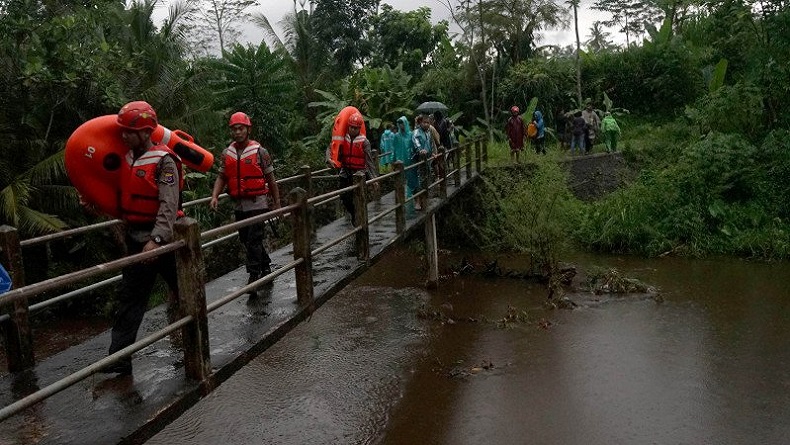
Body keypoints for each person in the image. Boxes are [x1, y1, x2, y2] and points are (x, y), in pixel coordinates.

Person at [102, 101, 182, 376]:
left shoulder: (165, 161)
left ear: (147, 132)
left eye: (129, 131)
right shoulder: (126, 159)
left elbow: (169, 204)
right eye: (122, 131)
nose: (123, 136)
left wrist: (157, 240)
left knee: (184, 291)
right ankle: (119, 358)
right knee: (130, 298)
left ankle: (195, 343)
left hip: (166, 241)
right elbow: (120, 197)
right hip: (137, 239)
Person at [210, 112, 281, 297]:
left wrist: (277, 203)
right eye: (234, 129)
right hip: (239, 205)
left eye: (240, 128)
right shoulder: (227, 153)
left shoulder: (260, 152)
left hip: (257, 203)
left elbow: (271, 179)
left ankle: (254, 278)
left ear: (248, 129)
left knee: (253, 239)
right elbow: (222, 177)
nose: (237, 132)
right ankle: (265, 266)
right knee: (245, 239)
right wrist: (214, 196)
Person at [325, 112, 378, 226]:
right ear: (348, 126)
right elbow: (330, 148)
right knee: (344, 196)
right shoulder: (343, 138)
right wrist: (328, 159)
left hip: (359, 173)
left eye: (356, 128)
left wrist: (374, 179)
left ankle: (360, 219)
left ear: (359, 128)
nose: (353, 130)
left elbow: (369, 162)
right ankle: (355, 214)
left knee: (359, 197)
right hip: (345, 171)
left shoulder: (364, 142)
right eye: (351, 127)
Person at [411, 115, 435, 210]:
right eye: (424, 122)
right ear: (420, 123)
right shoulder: (416, 132)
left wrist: (432, 153)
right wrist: (420, 149)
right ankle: (417, 201)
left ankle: (423, 199)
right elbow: (416, 142)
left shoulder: (428, 132)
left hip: (426, 160)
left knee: (425, 178)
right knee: (418, 179)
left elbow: (430, 144)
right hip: (418, 159)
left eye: (428, 123)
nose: (426, 124)